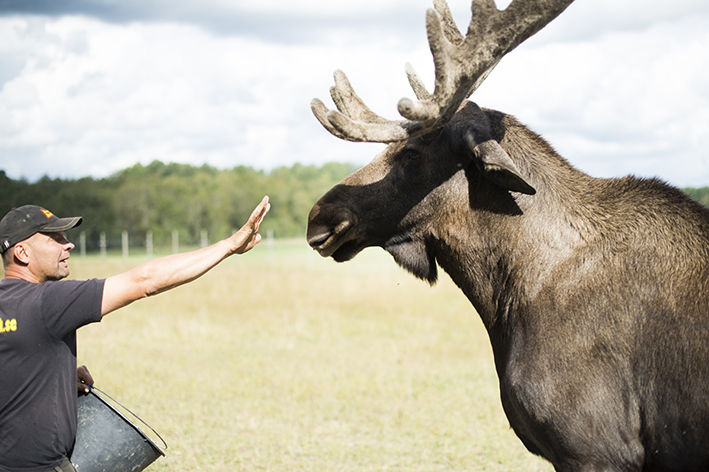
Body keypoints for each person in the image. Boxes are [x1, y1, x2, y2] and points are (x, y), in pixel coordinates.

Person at [0, 197, 270, 472]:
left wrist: (50, 376)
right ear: (22, 253)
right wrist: (228, 246)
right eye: (54, 238)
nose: (67, 243)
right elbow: (145, 281)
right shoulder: (50, 302)